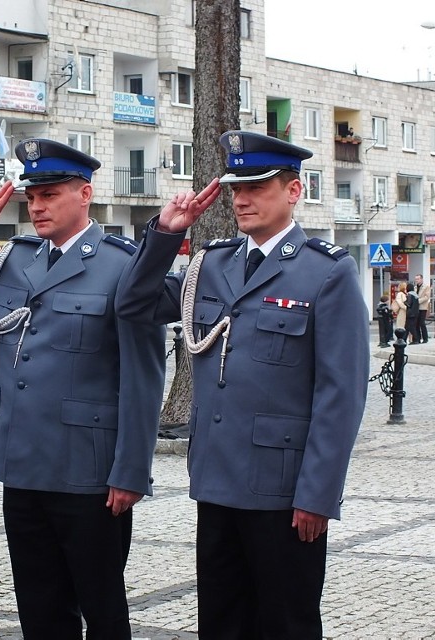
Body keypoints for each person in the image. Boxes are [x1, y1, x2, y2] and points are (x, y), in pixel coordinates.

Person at [114, 130, 369, 639]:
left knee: (285, 624)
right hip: (218, 480)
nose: (242, 199)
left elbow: (340, 394)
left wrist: (318, 495)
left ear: (294, 191)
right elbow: (132, 304)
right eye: (235, 189)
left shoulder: (326, 272)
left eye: (257, 186)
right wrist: (165, 235)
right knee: (222, 622)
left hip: (283, 492)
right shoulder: (212, 262)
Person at [0, 138, 165, 639]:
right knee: (39, 607)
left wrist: (131, 470)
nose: (36, 206)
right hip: (23, 464)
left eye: (49, 194)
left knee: (102, 610)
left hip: (89, 474)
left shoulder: (123, 265)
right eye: (31, 197)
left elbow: (143, 376)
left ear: (84, 195)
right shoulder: (14, 259)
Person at [414, 273, 431, 343]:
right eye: (416, 279)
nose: (417, 280)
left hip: (423, 307)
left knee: (422, 323)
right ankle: (418, 338)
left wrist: (418, 301)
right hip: (416, 308)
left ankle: (425, 338)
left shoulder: (426, 287)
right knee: (416, 323)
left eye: (418, 279)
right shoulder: (415, 287)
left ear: (421, 279)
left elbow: (427, 297)